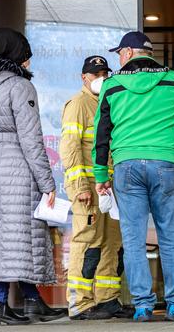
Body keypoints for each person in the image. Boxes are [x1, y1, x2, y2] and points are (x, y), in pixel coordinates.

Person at [92, 31, 174, 322]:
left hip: (127, 166)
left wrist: (101, 173)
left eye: (119, 53)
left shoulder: (112, 85)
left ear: (128, 52)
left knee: (133, 239)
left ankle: (142, 304)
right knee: (170, 237)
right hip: (164, 162)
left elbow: (100, 134)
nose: (118, 58)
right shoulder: (173, 80)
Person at [0, 28, 65, 326]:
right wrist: (47, 183)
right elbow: (31, 138)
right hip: (14, 163)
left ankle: (32, 302)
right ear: (16, 55)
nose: (29, 59)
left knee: (2, 233)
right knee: (16, 233)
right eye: (25, 53)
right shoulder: (19, 86)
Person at [59, 55, 130, 320]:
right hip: (87, 187)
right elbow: (69, 146)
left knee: (111, 242)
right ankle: (80, 303)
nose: (101, 78)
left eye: (104, 73)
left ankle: (107, 299)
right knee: (87, 243)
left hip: (108, 189)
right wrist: (79, 186)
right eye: (96, 74)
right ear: (84, 77)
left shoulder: (106, 104)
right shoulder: (78, 104)